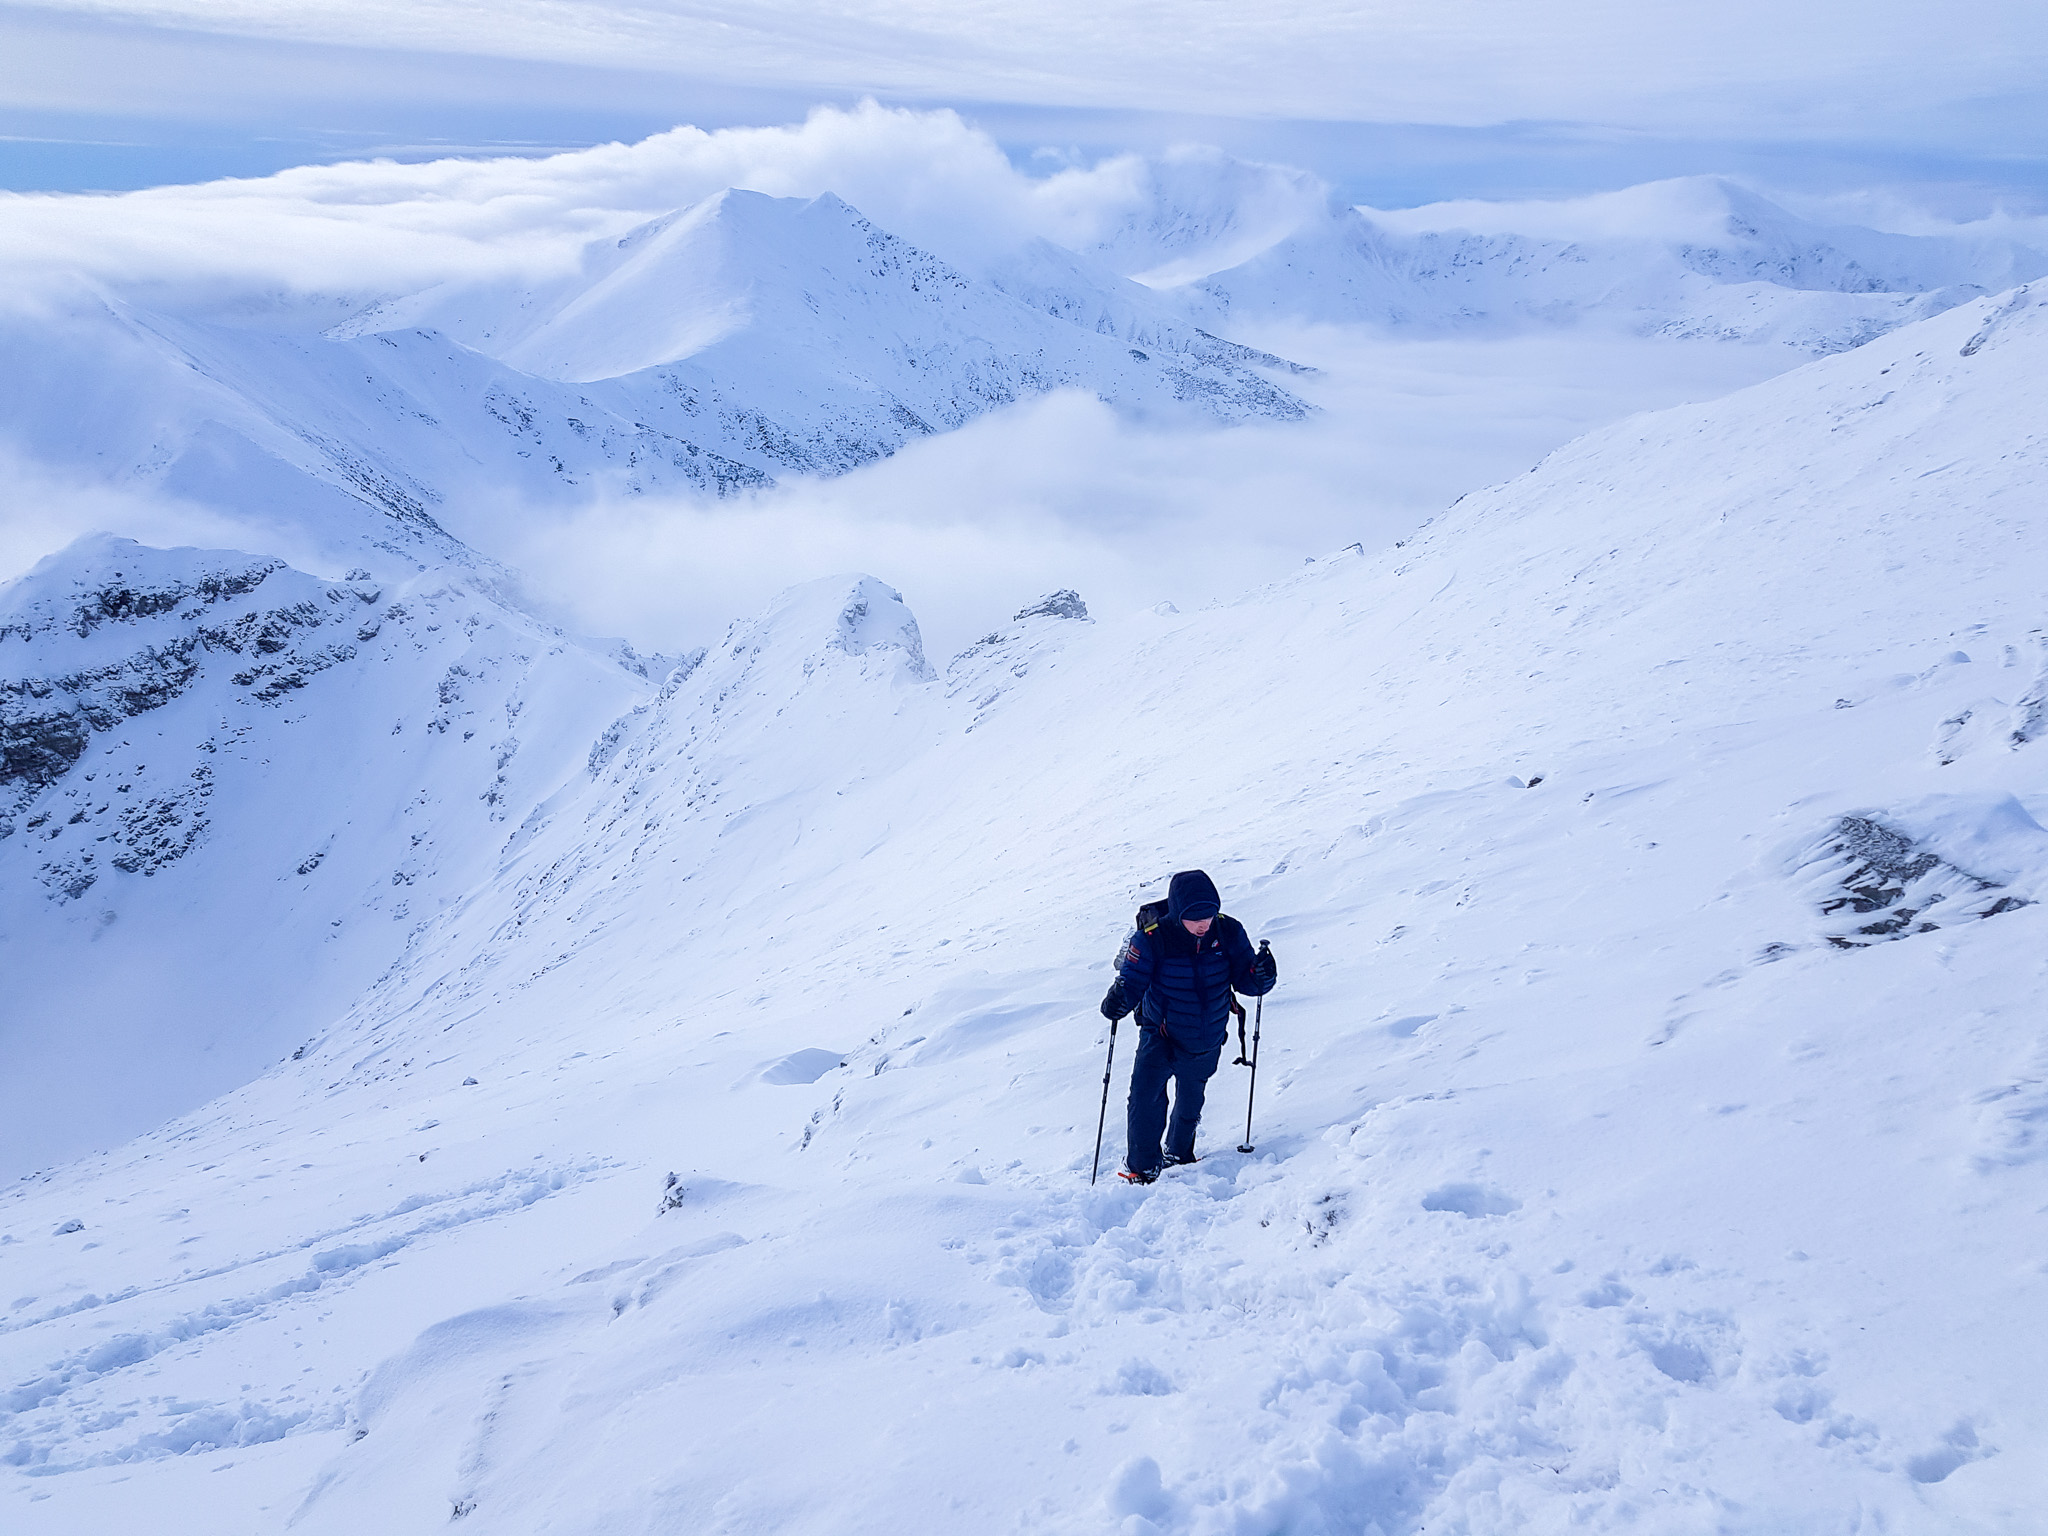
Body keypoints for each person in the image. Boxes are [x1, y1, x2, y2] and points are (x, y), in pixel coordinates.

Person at [1100, 869, 1276, 1183]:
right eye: (1194, 917)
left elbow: (1248, 982)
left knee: (1191, 1099)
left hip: (1206, 1033)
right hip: (1161, 1032)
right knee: (1145, 1096)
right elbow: (1133, 981)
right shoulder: (1153, 937)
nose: (1203, 923)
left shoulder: (1228, 931)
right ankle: (1142, 1167)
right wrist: (1117, 1002)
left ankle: (1179, 1153)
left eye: (1208, 915)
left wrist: (1263, 974)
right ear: (1178, 912)